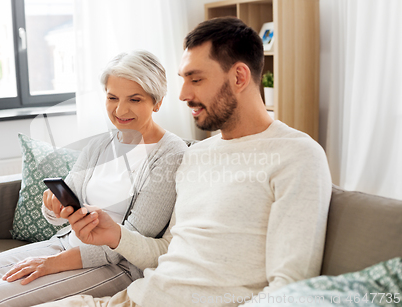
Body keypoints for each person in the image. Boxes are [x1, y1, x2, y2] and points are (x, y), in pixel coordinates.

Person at [33, 17, 332, 307]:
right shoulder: (197, 155)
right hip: (135, 298)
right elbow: (166, 250)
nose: (183, 94)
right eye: (183, 79)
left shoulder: (296, 156)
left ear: (239, 77)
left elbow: (290, 288)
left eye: (196, 79)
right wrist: (116, 235)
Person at [0, 50, 187, 307]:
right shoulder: (100, 145)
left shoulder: (170, 153)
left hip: (116, 266)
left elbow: (131, 240)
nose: (120, 109)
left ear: (156, 102)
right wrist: (53, 207)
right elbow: (62, 214)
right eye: (112, 97)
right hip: (65, 245)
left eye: (134, 100)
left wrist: (52, 264)